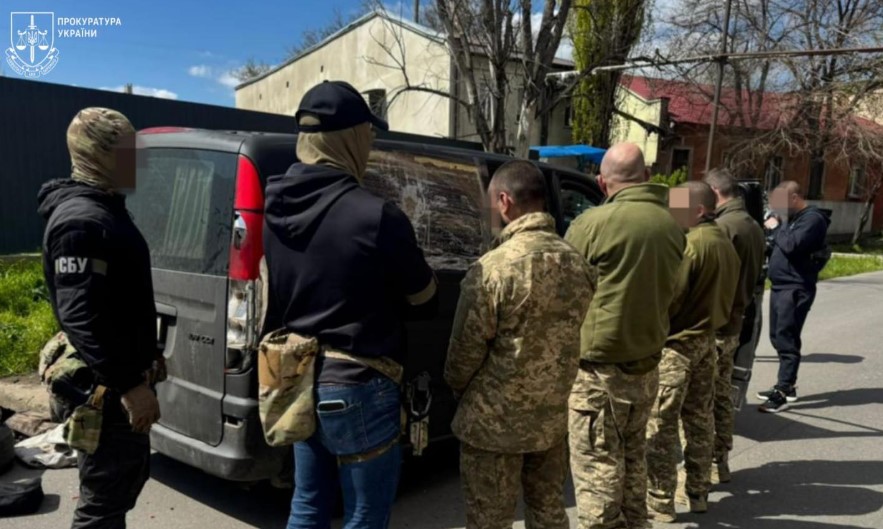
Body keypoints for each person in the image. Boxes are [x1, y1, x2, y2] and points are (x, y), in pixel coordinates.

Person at [262, 80, 438, 529]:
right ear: (350, 138)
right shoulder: (376, 215)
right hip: (361, 383)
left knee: (308, 505)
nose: (372, 142)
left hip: (298, 377)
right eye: (369, 133)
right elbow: (423, 295)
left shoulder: (273, 209)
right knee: (364, 515)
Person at [445, 161, 593, 529]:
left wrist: (459, 390)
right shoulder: (578, 263)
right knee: (548, 511)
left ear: (505, 201)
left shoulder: (494, 268)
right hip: (552, 418)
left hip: (494, 424)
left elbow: (464, 354)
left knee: (490, 519)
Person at [38, 107, 161, 528]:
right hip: (104, 392)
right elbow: (82, 315)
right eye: (129, 152)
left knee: (117, 491)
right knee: (102, 504)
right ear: (99, 154)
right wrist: (129, 385)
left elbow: (113, 301)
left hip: (115, 383)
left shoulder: (105, 208)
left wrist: (148, 358)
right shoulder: (82, 221)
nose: (138, 162)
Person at [565, 143, 686, 529]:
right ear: (647, 176)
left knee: (598, 468)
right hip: (647, 365)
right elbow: (676, 290)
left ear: (602, 182)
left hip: (599, 372)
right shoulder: (673, 225)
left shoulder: (593, 224)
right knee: (633, 461)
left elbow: (563, 290)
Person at [645, 182, 740, 522]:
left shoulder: (692, 245)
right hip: (707, 342)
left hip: (679, 345)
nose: (672, 214)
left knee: (661, 426)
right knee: (700, 420)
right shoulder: (725, 244)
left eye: (678, 207)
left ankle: (660, 499)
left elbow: (671, 297)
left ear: (698, 210)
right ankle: (698, 491)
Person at [703, 169, 766, 483]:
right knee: (722, 396)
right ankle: (719, 462)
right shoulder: (752, 224)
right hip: (735, 320)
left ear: (714, 192)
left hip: (716, 324)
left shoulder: (723, 227)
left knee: (703, 401)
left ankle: (704, 468)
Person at [758, 181, 830, 413]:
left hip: (796, 287)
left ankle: (783, 389)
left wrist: (776, 227)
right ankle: (787, 386)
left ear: (794, 197)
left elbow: (791, 245)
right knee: (777, 336)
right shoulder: (794, 219)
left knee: (787, 337)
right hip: (781, 286)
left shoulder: (812, 219)